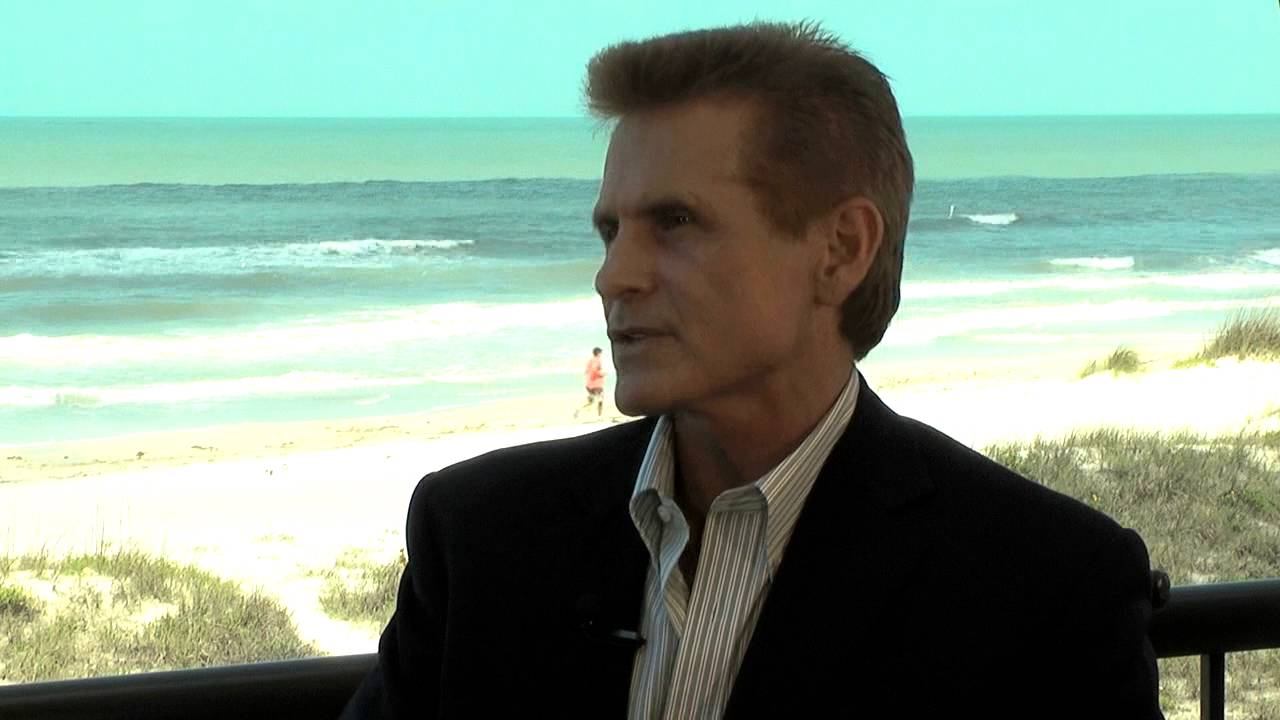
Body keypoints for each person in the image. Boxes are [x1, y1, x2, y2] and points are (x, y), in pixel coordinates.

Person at [341, 22, 1163, 718]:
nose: (613, 276)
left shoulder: (1044, 587)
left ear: (840, 249)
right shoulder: (481, 537)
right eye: (610, 231)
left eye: (675, 222)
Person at [574, 347, 607, 419]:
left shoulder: (589, 361)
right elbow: (594, 370)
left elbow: (586, 372)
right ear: (598, 353)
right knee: (600, 399)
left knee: (590, 401)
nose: (601, 355)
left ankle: (578, 409)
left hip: (589, 384)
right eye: (601, 353)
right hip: (597, 384)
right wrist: (602, 374)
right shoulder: (597, 360)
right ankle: (599, 416)